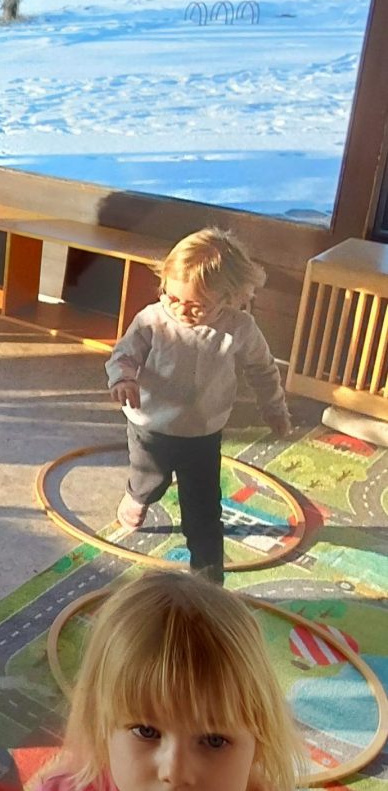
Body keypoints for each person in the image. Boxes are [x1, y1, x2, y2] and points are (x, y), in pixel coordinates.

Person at [8, 571, 353, 791]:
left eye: (214, 740)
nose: (175, 772)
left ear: (260, 741)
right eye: (146, 731)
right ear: (101, 724)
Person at [105, 229, 291, 583]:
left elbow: (263, 370)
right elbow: (124, 354)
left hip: (203, 432)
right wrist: (123, 379)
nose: (180, 309)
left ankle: (209, 579)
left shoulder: (240, 328)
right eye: (172, 296)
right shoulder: (152, 319)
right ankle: (137, 495)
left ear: (230, 297)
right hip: (151, 424)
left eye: (197, 304)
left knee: (204, 510)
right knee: (150, 480)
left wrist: (274, 408)